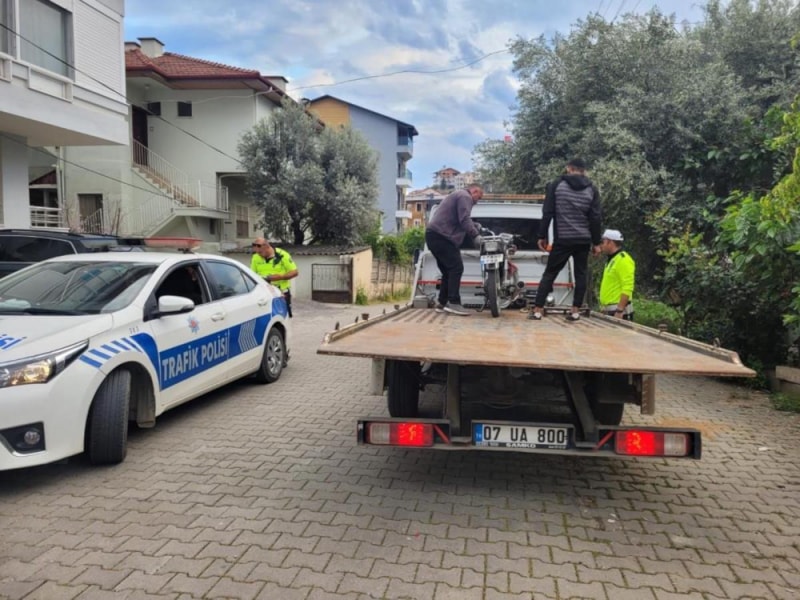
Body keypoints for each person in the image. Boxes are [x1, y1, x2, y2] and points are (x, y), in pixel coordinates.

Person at [529, 158, 602, 322]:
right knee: (581, 274)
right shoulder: (592, 189)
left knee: (550, 273)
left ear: (569, 168)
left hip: (563, 238)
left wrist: (541, 236)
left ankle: (538, 310)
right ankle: (575, 311)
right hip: (583, 240)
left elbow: (548, 212)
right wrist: (596, 242)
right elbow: (595, 218)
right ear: (584, 170)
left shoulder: (556, 185)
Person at [424, 184, 484, 316]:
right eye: (478, 198)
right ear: (474, 191)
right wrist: (476, 235)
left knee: (447, 271)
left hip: (433, 236)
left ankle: (442, 303)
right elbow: (464, 219)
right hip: (442, 237)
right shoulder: (465, 196)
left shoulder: (457, 195)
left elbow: (457, 219)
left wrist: (474, 225)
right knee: (456, 268)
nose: (477, 202)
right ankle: (454, 302)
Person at [250, 238, 298, 317]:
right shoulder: (255, 257)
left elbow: (294, 272)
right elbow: (252, 275)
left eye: (260, 252)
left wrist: (280, 277)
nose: (258, 254)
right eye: (257, 252)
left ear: (267, 246)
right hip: (264, 294)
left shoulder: (282, 255)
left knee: (283, 317)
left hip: (281, 293)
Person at [598, 229, 635, 320]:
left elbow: (627, 286)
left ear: (610, 242)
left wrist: (619, 310)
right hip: (609, 310)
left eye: (603, 242)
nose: (601, 245)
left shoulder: (623, 260)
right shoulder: (612, 260)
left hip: (618, 312)